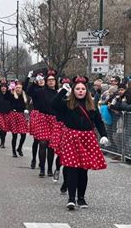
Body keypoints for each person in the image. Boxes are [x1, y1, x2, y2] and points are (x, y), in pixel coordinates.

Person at [52, 77, 108, 210]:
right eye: (77, 89)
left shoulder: (92, 105)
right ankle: (71, 199)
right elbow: (53, 105)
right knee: (72, 168)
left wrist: (104, 135)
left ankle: (81, 198)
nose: (80, 91)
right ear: (73, 90)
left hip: (87, 138)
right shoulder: (67, 103)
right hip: (71, 137)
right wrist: (61, 92)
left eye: (83, 89)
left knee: (83, 170)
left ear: (86, 91)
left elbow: (99, 122)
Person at [27, 71, 58, 177]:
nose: (51, 81)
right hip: (42, 118)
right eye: (49, 80)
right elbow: (29, 91)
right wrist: (34, 81)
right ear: (46, 81)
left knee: (51, 146)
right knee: (43, 143)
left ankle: (50, 168)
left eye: (53, 80)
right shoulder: (40, 91)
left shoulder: (58, 93)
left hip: (53, 120)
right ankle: (42, 168)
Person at [9, 82, 29, 157]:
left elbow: (26, 87)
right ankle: (14, 151)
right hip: (14, 115)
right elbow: (6, 97)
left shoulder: (24, 96)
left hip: (22, 115)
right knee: (14, 135)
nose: (18, 89)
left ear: (21, 89)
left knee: (23, 134)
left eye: (19, 87)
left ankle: (19, 148)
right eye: (16, 87)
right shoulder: (12, 95)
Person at [0, 82, 12, 148]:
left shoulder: (9, 94)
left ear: (7, 88)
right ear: (0, 88)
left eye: (5, 86)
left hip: (6, 113)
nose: (3, 88)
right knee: (2, 126)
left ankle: (2, 142)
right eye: (2, 86)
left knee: (4, 129)